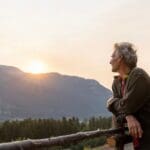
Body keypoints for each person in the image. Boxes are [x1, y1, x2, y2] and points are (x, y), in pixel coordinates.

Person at [107, 42, 150, 150]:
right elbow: (119, 112)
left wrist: (110, 103)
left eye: (113, 57)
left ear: (120, 58)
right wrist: (128, 116)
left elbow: (126, 106)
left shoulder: (138, 75)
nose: (110, 61)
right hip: (132, 143)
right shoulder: (116, 83)